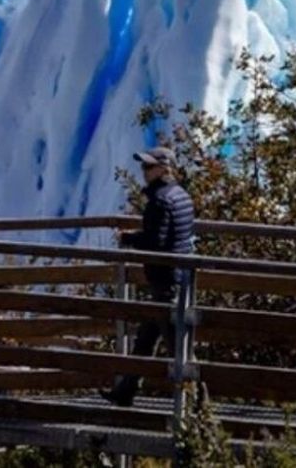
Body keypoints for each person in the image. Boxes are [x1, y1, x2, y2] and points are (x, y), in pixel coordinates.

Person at [103, 145, 195, 407]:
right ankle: (125, 392)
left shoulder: (160, 201)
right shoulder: (182, 196)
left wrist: (129, 239)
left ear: (165, 168)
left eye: (149, 166)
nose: (144, 171)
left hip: (165, 281)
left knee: (179, 348)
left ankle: (200, 408)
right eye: (143, 166)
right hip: (178, 278)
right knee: (146, 340)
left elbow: (157, 241)